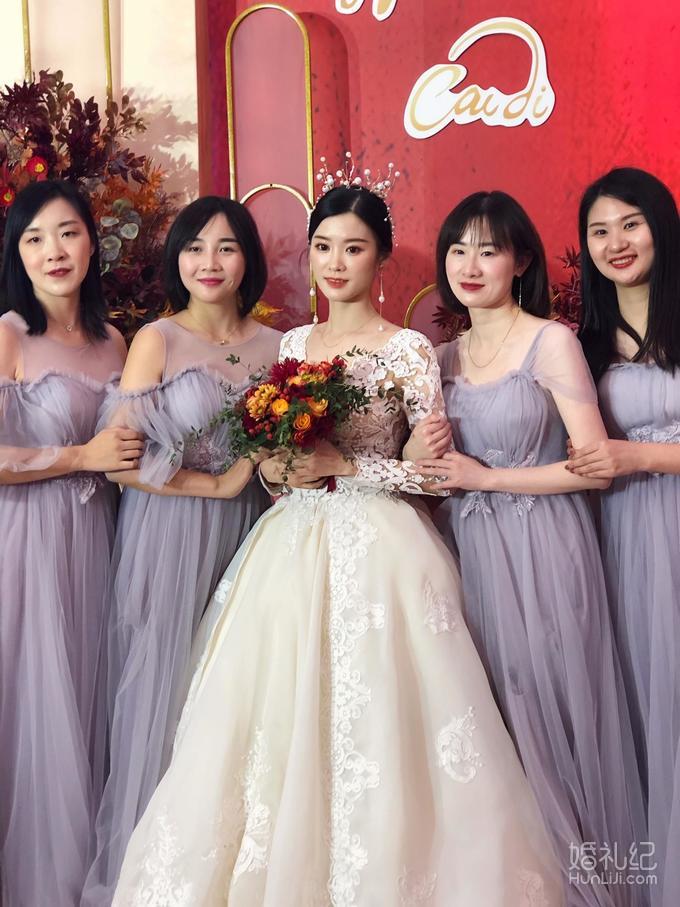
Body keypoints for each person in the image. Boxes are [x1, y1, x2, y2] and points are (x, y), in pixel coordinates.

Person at [111, 180, 563, 906]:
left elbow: (434, 475)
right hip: (291, 543)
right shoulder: (292, 343)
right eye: (323, 247)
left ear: (380, 257)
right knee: (273, 713)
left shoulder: (409, 350)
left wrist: (346, 466)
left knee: (382, 716)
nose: (335, 263)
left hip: (385, 545)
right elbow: (275, 463)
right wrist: (278, 467)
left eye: (353, 248)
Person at [418, 191, 648, 906]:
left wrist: (487, 477)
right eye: (458, 249)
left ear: (520, 261)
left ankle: (594, 887)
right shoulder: (438, 356)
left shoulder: (551, 342)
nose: (470, 265)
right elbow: (432, 476)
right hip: (469, 553)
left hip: (545, 547)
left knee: (557, 710)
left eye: (488, 250)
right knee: (493, 723)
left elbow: (594, 464)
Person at [82, 196, 282, 905]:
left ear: (247, 259)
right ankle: (149, 876)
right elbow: (120, 460)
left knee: (231, 698)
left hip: (251, 539)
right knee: (165, 694)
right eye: (194, 247)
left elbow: (283, 451)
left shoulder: (278, 346)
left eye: (225, 247)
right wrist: (218, 484)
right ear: (177, 259)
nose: (208, 262)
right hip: (168, 536)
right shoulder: (157, 340)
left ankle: (219, 870)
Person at [0, 180, 142, 906]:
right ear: (17, 254)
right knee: (33, 703)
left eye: (67, 233)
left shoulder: (114, 340)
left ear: (93, 243)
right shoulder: (8, 334)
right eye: (34, 238)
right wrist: (82, 456)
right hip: (25, 540)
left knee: (89, 696)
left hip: (97, 537)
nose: (53, 251)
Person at [569, 167, 680, 907]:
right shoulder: (581, 342)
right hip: (622, 535)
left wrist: (640, 455)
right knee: (641, 694)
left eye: (630, 224)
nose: (616, 243)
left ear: (660, 226)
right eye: (599, 231)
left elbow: (627, 451)